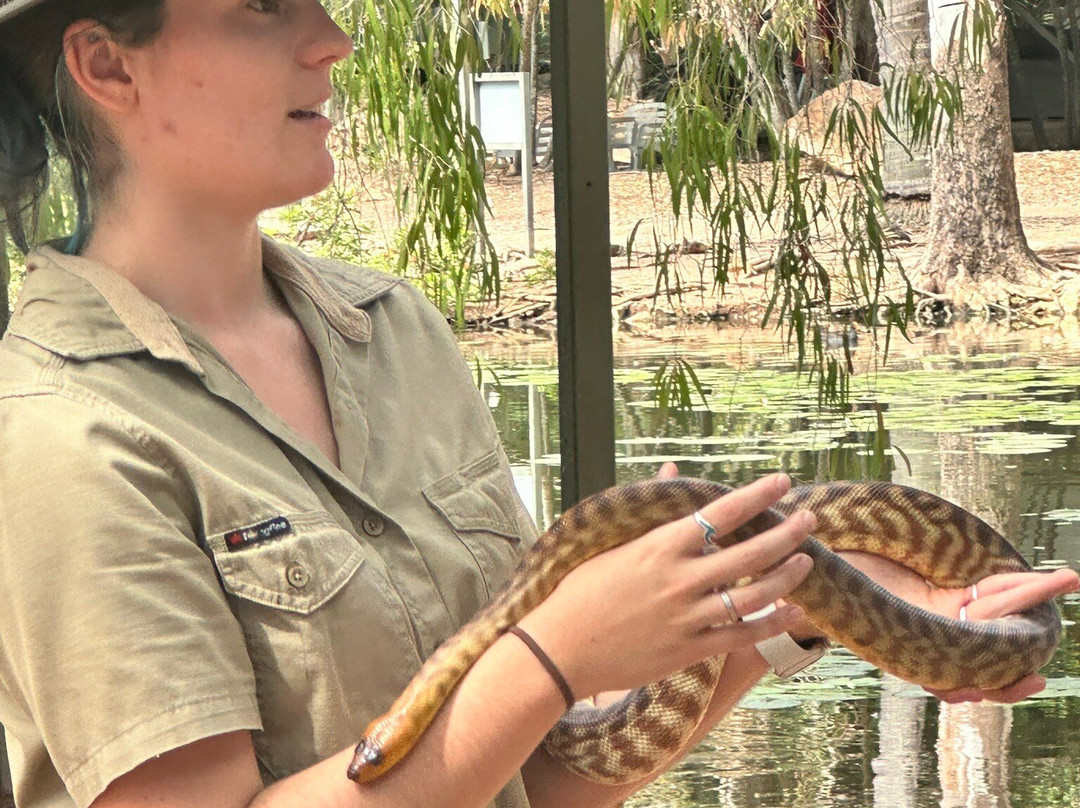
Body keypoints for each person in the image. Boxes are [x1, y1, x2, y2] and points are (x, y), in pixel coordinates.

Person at [0, 2, 1075, 807]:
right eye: (265, 7)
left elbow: (541, 775)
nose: (332, 40)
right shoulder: (62, 432)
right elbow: (530, 678)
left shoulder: (394, 332)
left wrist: (791, 610)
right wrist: (553, 653)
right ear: (106, 63)